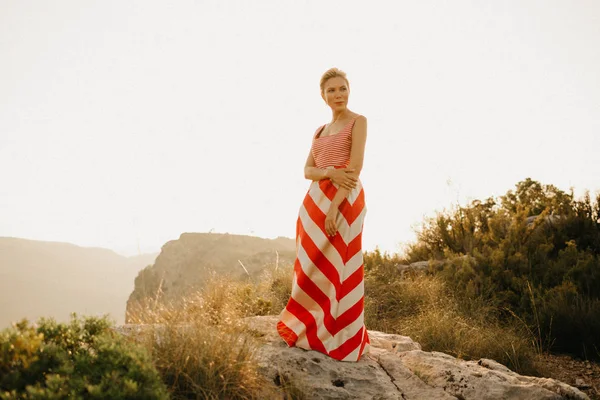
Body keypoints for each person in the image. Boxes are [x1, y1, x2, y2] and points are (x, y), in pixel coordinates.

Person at [276, 67, 369, 362]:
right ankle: (310, 327)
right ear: (323, 96)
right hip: (315, 201)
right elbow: (307, 170)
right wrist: (328, 172)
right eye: (331, 90)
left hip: (344, 199)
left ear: (349, 90)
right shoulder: (319, 130)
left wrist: (334, 206)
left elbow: (353, 169)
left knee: (340, 266)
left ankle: (341, 335)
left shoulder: (358, 121)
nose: (337, 94)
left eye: (342, 88)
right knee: (310, 266)